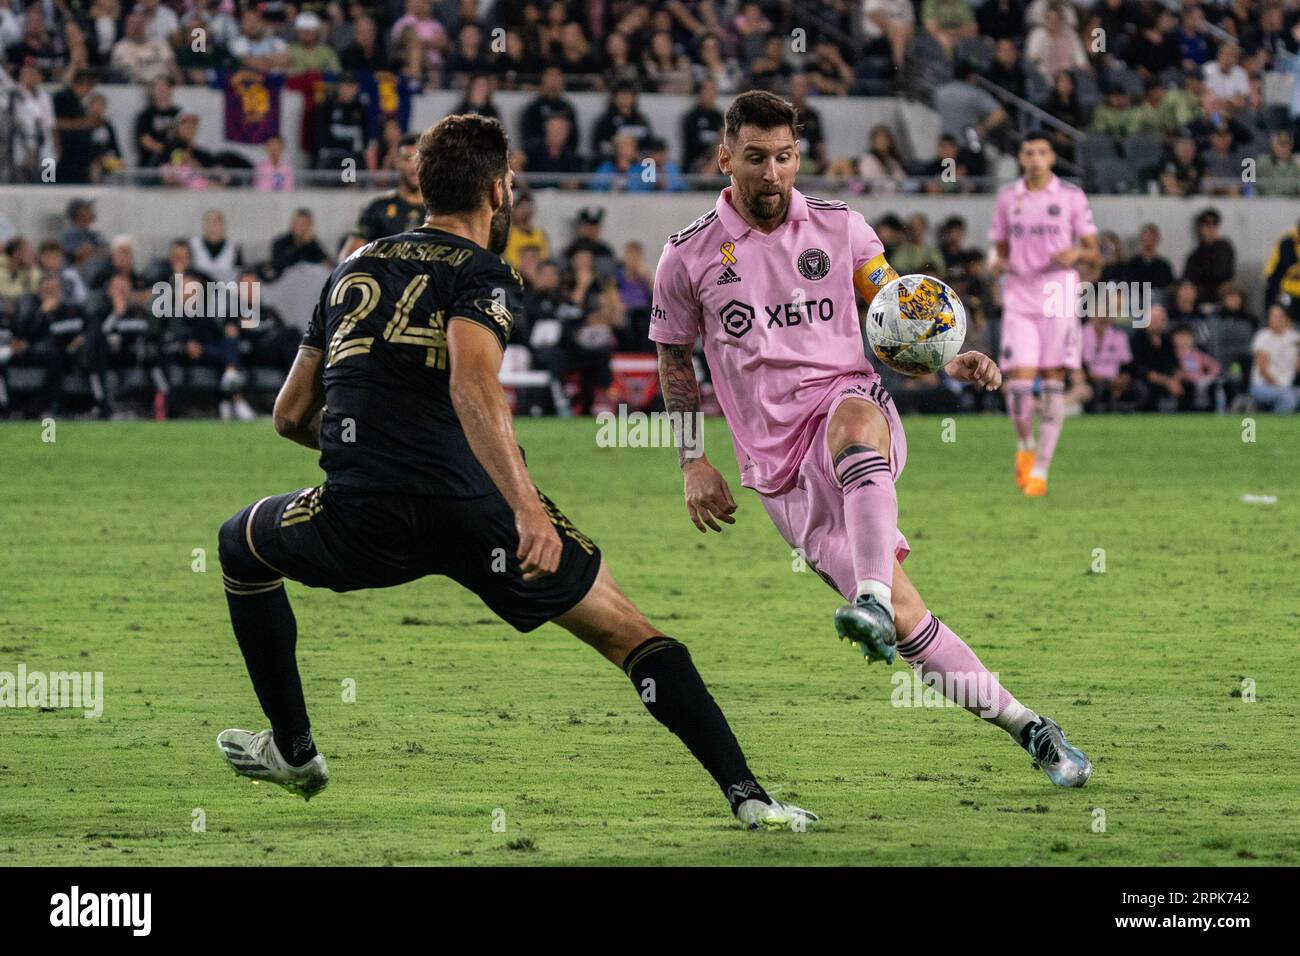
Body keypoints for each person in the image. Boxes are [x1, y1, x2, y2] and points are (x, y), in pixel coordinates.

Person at [213, 114, 811, 830]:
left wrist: (380, 450)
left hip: (361, 510)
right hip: (482, 507)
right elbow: (473, 385)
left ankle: (296, 748)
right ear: (499, 191)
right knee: (632, 636)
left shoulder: (356, 265)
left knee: (238, 545)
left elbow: (288, 414)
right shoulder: (484, 272)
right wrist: (526, 509)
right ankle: (749, 796)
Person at [650, 91, 1092, 791]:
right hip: (777, 469)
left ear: (799, 157)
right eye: (756, 159)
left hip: (850, 405)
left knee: (854, 424)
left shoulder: (842, 228)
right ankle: (1028, 726)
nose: (771, 173)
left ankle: (871, 603)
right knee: (914, 623)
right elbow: (675, 360)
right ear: (725, 158)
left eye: (785, 157)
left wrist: (952, 353)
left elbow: (894, 309)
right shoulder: (687, 257)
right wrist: (691, 459)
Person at [990, 132, 1101, 497]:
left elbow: (1094, 253)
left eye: (1042, 152)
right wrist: (997, 263)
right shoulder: (1009, 197)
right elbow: (1000, 248)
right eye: (1028, 152)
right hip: (1020, 295)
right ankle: (1025, 442)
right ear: (1021, 158)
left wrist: (1076, 254)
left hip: (1058, 294)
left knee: (1054, 378)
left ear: (1052, 158)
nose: (1035, 158)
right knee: (1020, 381)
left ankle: (1041, 469)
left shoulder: (1071, 197)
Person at [342, 134, 426, 257]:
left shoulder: (440, 210)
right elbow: (348, 257)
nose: (413, 167)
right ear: (397, 162)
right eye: (408, 159)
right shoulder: (377, 208)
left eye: (418, 159)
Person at [1249, 301, 1300, 412]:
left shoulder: (1294, 337)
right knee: (1288, 397)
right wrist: (1280, 386)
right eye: (1272, 315)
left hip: (1288, 386)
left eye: (1278, 316)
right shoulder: (1262, 336)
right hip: (1263, 386)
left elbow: (1297, 368)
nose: (1274, 319)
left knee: (1292, 394)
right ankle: (1276, 427)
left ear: (1286, 319)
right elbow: (1263, 370)